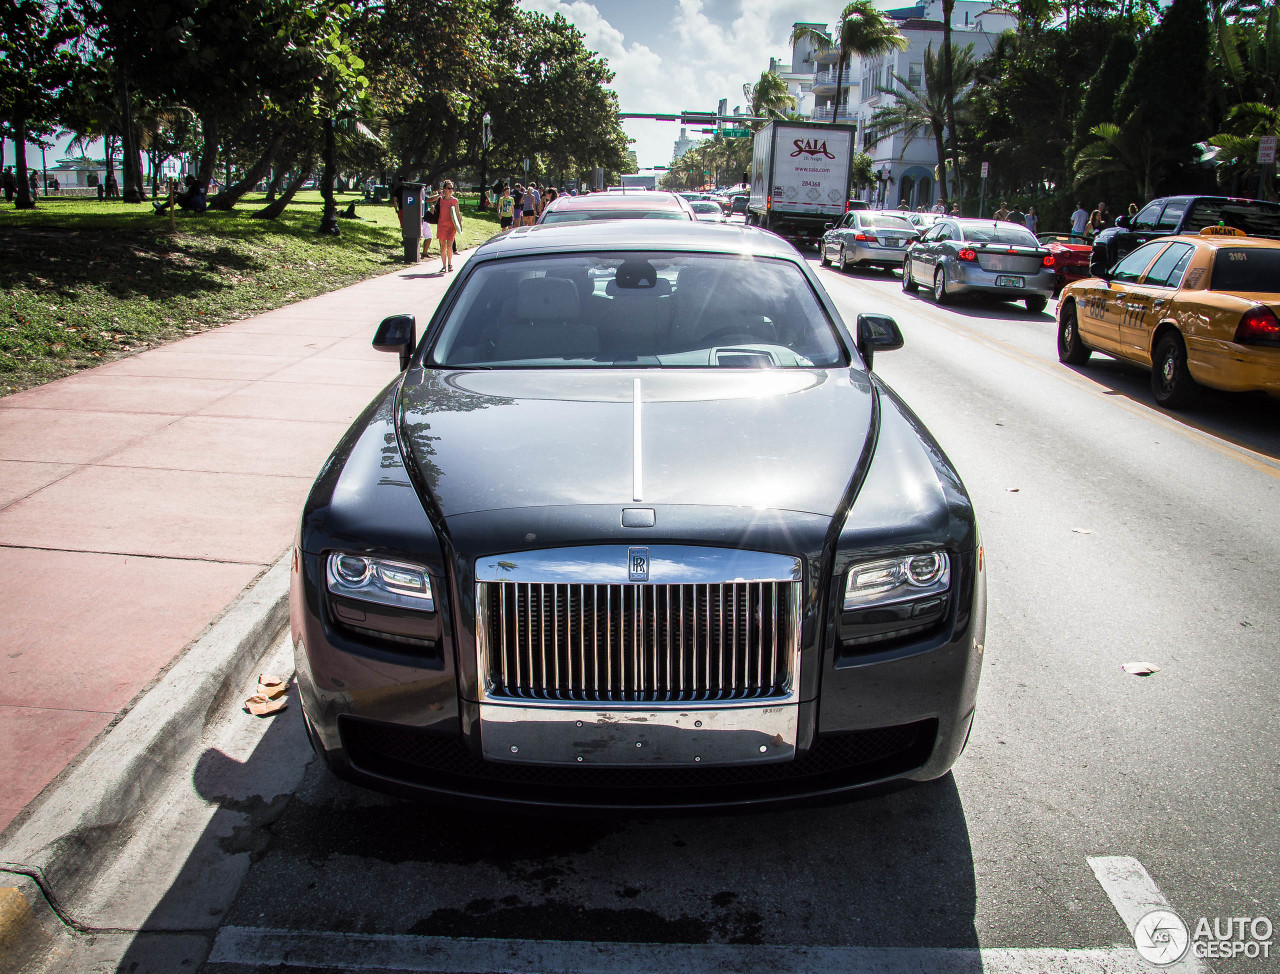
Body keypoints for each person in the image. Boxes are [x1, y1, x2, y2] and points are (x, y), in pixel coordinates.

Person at [435, 179, 462, 272]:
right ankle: (444, 265)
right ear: (444, 189)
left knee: (450, 246)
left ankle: (450, 264)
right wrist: (431, 209)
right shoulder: (440, 200)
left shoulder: (455, 200)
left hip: (451, 227)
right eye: (449, 188)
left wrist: (460, 225)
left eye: (452, 188)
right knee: (443, 247)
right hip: (442, 225)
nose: (451, 190)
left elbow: (458, 214)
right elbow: (435, 210)